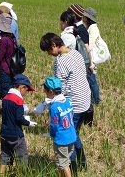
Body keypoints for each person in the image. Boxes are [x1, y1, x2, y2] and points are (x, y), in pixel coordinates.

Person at [40, 33, 91, 174]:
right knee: (74, 132)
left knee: (69, 136)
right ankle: (83, 163)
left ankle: (73, 168)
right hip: (85, 100)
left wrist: (46, 104)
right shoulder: (76, 52)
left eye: (49, 51)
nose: (49, 54)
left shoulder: (60, 62)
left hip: (74, 103)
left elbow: (58, 88)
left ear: (54, 45)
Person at [0, 74, 36, 175]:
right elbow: (19, 118)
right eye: (26, 90)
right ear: (21, 87)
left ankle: (1, 174)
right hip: (16, 134)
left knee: (5, 155)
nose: (26, 93)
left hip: (4, 132)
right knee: (22, 157)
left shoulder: (6, 97)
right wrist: (28, 123)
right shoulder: (18, 100)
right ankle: (21, 173)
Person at [42, 76, 76, 177]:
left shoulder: (54, 107)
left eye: (46, 92)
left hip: (61, 139)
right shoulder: (68, 101)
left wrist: (51, 134)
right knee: (63, 161)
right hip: (72, 136)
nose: (45, 94)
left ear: (51, 91)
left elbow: (54, 125)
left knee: (64, 163)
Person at [0, 13, 16, 99]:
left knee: (5, 92)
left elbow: (0, 57)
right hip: (12, 68)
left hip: (5, 68)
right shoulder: (12, 38)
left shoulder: (4, 40)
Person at [82, 7, 101, 105]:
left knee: (92, 80)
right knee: (91, 79)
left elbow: (90, 44)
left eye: (84, 15)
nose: (83, 17)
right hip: (88, 56)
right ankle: (93, 100)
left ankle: (96, 101)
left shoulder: (93, 29)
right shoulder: (88, 27)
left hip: (91, 58)